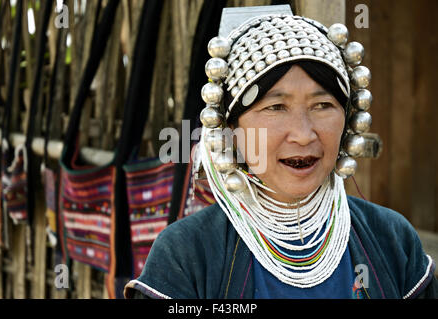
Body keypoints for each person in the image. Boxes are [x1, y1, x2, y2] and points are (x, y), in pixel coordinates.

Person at [124, 10, 438, 299]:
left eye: (323, 105)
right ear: (231, 127)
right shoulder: (187, 254)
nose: (303, 134)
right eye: (276, 107)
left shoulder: (392, 240)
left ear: (348, 119)